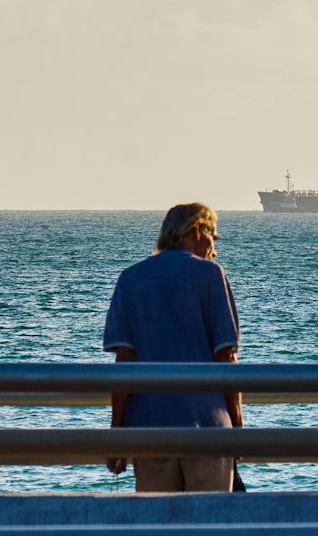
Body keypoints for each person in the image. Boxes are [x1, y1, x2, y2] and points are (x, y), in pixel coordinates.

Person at [102, 202, 243, 493]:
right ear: (195, 231)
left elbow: (125, 362)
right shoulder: (210, 275)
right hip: (208, 428)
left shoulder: (131, 279)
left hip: (150, 429)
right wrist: (238, 426)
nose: (214, 250)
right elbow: (225, 357)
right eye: (212, 238)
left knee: (158, 532)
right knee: (210, 529)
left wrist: (117, 434)